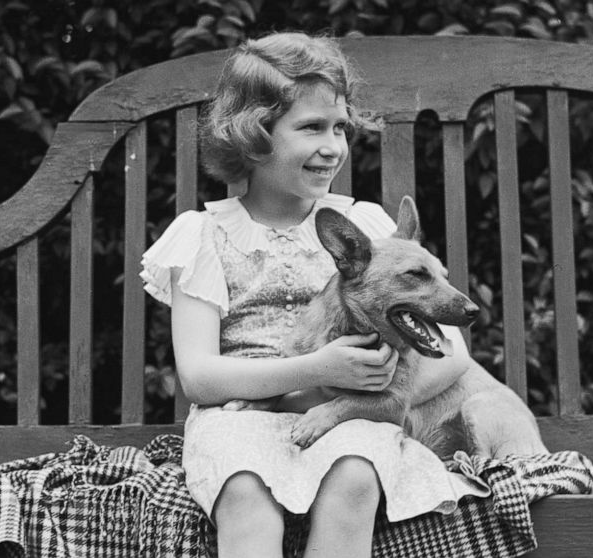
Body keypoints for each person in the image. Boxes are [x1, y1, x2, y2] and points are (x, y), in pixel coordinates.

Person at [140, 31, 489, 558]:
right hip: (243, 417)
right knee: (244, 488)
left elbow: (452, 359)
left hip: (355, 412)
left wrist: (363, 397)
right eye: (311, 128)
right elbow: (198, 377)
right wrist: (314, 373)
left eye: (340, 128)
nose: (333, 147)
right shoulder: (202, 236)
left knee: (355, 475)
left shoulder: (368, 230)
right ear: (253, 135)